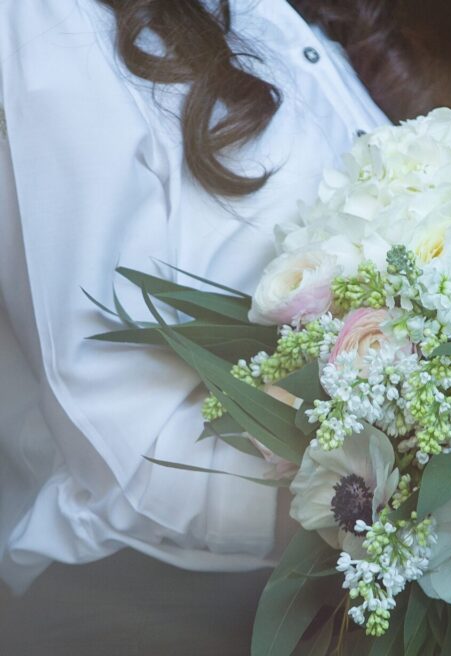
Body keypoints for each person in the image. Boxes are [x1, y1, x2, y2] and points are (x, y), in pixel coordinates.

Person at [0, 0, 421, 593]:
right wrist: (401, 496)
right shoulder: (54, 20)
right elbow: (119, 443)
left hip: (357, 573)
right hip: (157, 602)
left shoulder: (296, 15)